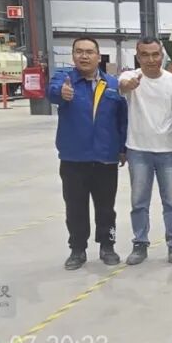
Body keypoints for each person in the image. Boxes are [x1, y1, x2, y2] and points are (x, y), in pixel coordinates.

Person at [47, 37, 128, 270]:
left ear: (98, 56)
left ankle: (108, 246)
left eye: (89, 52)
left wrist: (122, 148)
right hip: (74, 158)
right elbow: (51, 92)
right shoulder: (64, 79)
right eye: (79, 51)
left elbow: (122, 119)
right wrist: (61, 93)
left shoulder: (112, 84)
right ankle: (77, 249)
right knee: (75, 207)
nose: (84, 56)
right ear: (73, 55)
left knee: (107, 209)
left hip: (105, 157)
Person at [117, 37, 172, 265]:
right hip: (138, 150)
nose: (151, 59)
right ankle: (140, 243)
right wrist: (128, 86)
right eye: (145, 55)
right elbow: (122, 86)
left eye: (155, 54)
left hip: (168, 150)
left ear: (162, 55)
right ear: (138, 57)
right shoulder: (130, 77)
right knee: (139, 202)